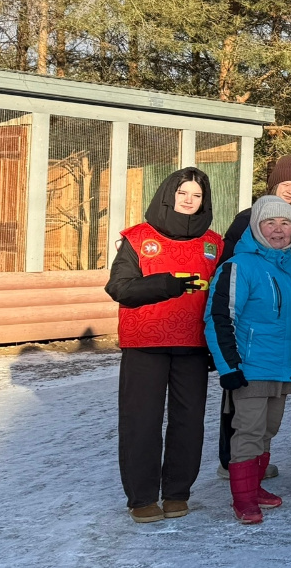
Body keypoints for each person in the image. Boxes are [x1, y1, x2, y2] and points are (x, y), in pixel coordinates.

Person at [106, 168, 222, 524]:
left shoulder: (214, 243)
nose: (189, 200)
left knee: (189, 422)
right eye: (183, 193)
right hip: (145, 343)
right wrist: (164, 284)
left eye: (196, 195)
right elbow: (119, 287)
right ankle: (142, 497)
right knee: (141, 421)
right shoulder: (139, 238)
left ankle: (176, 492)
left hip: (193, 345)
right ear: (169, 195)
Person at [205, 195, 291, 523]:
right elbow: (219, 317)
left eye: (285, 223)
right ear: (256, 228)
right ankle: (243, 500)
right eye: (269, 223)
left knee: (267, 431)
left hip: (282, 368)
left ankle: (255, 487)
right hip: (249, 368)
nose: (278, 230)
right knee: (248, 432)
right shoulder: (239, 265)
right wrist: (228, 366)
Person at [216, 156, 291, 477]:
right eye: (286, 184)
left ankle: (254, 469)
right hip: (250, 334)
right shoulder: (247, 221)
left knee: (266, 419)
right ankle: (233, 466)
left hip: (281, 337)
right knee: (244, 412)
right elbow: (229, 269)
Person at [221, 155, 291, 259]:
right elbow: (228, 258)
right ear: (274, 186)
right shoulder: (247, 218)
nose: (290, 191)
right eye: (285, 185)